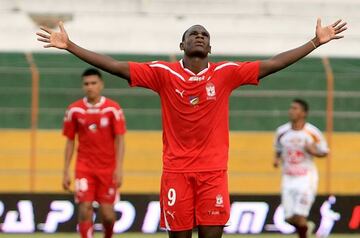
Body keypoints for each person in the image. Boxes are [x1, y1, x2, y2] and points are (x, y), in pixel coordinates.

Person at [37, 18, 346, 238]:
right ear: (181, 44)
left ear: (210, 47)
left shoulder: (226, 73)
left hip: (213, 173)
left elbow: (273, 64)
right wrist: (71, 46)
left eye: (204, 34)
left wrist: (316, 41)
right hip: (176, 173)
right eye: (193, 33)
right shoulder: (163, 74)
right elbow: (116, 67)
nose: (199, 36)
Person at [62, 68, 126, 238]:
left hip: (107, 169)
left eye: (93, 83)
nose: (90, 87)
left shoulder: (113, 109)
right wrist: (65, 171)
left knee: (108, 215)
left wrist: (119, 168)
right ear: (83, 86)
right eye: (86, 84)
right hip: (84, 168)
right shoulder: (74, 110)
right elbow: (70, 141)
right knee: (85, 208)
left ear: (101, 85)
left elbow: (120, 140)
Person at [273, 99, 329, 238]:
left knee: (300, 215)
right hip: (287, 178)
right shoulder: (282, 132)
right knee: (288, 218)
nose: (291, 111)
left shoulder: (312, 132)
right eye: (291, 108)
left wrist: (313, 151)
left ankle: (304, 229)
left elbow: (324, 151)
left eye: (295, 108)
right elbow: (278, 149)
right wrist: (276, 159)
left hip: (306, 178)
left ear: (304, 113)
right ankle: (306, 228)